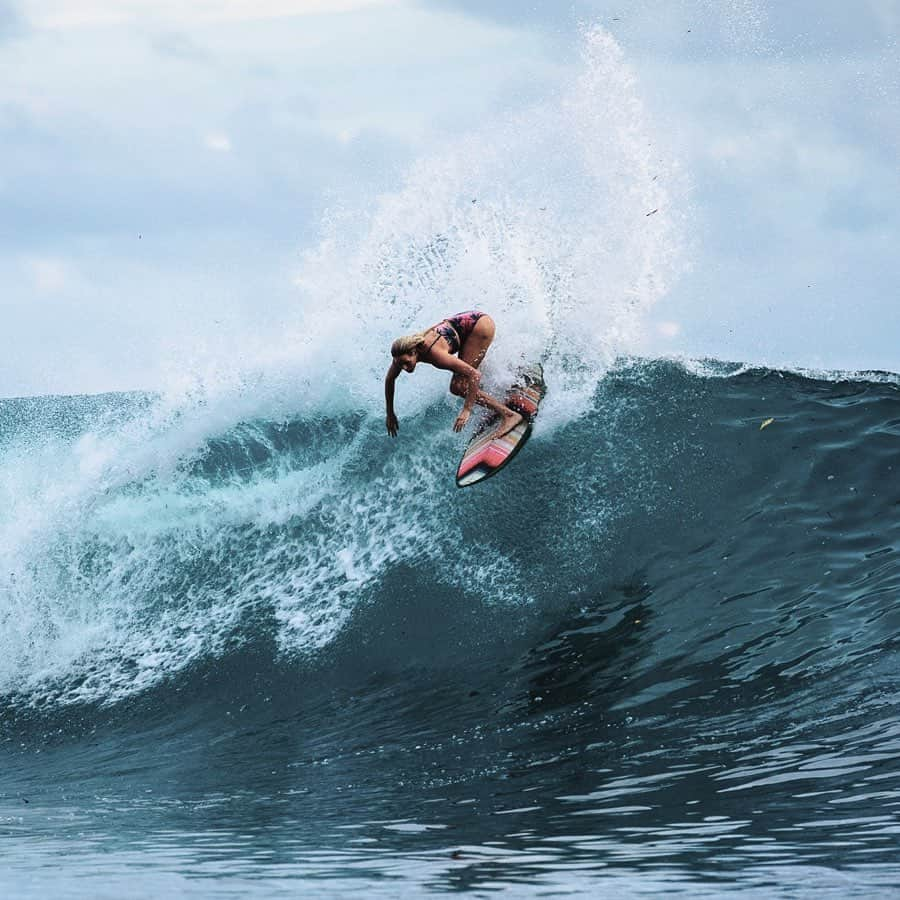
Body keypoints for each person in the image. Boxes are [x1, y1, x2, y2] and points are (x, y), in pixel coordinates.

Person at [384, 310, 523, 439]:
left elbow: (474, 375)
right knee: (464, 373)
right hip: (469, 324)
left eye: (406, 362)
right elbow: (390, 380)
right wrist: (390, 413)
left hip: (479, 327)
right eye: (399, 364)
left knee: (458, 387)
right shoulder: (400, 355)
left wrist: (466, 410)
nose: (403, 367)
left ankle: (509, 415)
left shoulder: (435, 354)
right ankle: (511, 379)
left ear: (414, 352)